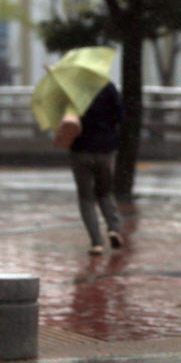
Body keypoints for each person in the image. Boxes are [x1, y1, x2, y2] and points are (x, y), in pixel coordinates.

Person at [69, 82, 125, 255]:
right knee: (105, 192)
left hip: (81, 150)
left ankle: (96, 242)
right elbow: (120, 116)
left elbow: (65, 120)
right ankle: (113, 228)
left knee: (86, 198)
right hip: (105, 150)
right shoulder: (107, 87)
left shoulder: (74, 89)